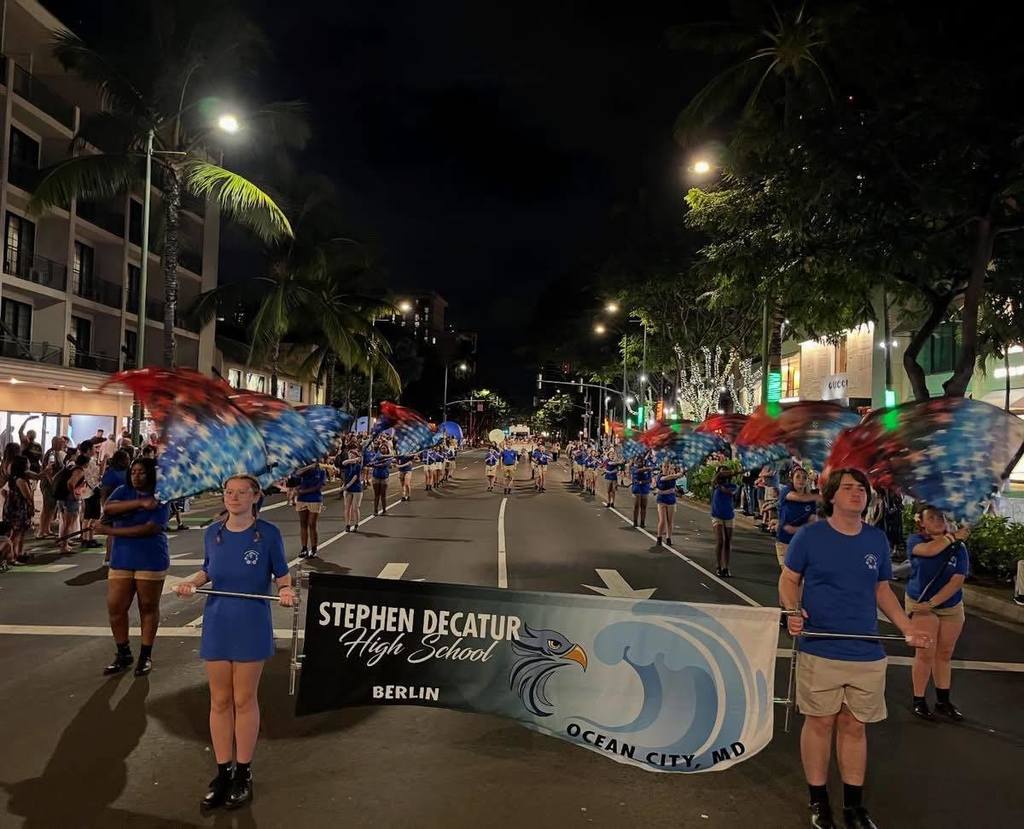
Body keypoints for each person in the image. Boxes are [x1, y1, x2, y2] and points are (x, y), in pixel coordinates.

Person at [780, 467, 930, 829]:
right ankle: (819, 801)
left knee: (855, 726)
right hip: (820, 648)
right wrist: (792, 611)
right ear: (831, 496)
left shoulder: (876, 540)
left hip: (866, 650)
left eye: (861, 488)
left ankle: (853, 807)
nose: (857, 492)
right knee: (820, 723)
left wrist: (907, 627)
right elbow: (789, 579)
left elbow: (882, 590)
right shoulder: (810, 536)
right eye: (848, 487)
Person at [174, 474, 294, 811]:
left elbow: (282, 574)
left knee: (243, 699)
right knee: (220, 700)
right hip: (218, 620)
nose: (234, 497)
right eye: (229, 492)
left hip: (252, 621)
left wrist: (286, 590)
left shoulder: (268, 533)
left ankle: (243, 773)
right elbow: (207, 570)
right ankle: (223, 772)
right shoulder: (213, 532)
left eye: (242, 493)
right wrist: (191, 583)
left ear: (255, 496)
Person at [96, 457, 170, 677]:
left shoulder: (161, 495)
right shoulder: (123, 490)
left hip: (150, 557)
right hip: (122, 557)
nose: (136, 476)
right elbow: (109, 507)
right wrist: (139, 504)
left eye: (142, 472)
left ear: (151, 474)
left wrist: (110, 532)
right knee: (116, 606)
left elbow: (149, 528)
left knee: (148, 606)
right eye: (133, 471)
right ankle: (123, 652)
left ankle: (145, 655)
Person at [905, 506, 971, 722]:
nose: (937, 520)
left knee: (944, 653)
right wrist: (953, 536)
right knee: (925, 653)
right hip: (920, 602)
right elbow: (930, 551)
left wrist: (934, 602)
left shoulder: (959, 548)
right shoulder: (915, 541)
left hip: (949, 604)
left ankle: (943, 701)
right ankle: (919, 700)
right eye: (931, 517)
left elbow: (957, 580)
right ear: (922, 523)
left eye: (940, 516)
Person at [776, 467, 822, 567]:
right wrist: (819, 497)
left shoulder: (810, 500)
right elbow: (800, 498)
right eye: (798, 477)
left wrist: (797, 529)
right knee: (787, 571)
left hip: (801, 541)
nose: (801, 480)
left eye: (804, 478)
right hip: (785, 540)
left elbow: (812, 520)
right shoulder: (786, 491)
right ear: (791, 479)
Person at [99, 450, 131, 565]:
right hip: (115, 506)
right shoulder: (112, 473)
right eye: (127, 458)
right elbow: (104, 491)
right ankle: (109, 557)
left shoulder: (128, 472)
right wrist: (104, 506)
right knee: (113, 533)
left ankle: (120, 557)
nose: (128, 460)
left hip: (128, 507)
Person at [55, 454, 90, 554]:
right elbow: (70, 483)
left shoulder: (71, 468)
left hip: (62, 497)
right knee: (68, 523)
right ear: (86, 463)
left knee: (66, 523)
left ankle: (64, 543)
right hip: (69, 499)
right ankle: (64, 546)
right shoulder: (79, 471)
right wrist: (74, 495)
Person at [3, 456, 35, 564]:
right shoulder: (21, 480)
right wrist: (31, 506)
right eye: (28, 463)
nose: (29, 464)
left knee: (18, 533)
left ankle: (17, 554)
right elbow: (28, 496)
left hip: (13, 507)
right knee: (17, 533)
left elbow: (4, 491)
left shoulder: (13, 478)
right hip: (18, 509)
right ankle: (12, 556)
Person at [295, 462, 327, 558]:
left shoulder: (321, 470)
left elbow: (319, 486)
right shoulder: (304, 468)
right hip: (302, 499)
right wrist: (309, 467)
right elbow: (297, 473)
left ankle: (314, 549)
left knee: (312, 524)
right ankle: (304, 548)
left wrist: (303, 491)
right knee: (303, 523)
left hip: (315, 498)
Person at [37, 436, 67, 540]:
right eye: (61, 443)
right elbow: (49, 470)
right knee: (47, 507)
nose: (63, 445)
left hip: (53, 484)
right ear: (55, 443)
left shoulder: (57, 453)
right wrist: (53, 483)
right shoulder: (52, 454)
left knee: (51, 508)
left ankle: (47, 529)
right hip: (49, 485)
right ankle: (41, 531)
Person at [711, 466, 737, 577]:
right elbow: (714, 480)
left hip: (729, 515)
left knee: (727, 542)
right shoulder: (715, 484)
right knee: (720, 541)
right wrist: (721, 474)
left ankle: (726, 567)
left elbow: (730, 491)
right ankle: (718, 566)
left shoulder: (732, 486)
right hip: (717, 515)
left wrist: (729, 474)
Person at [78, 440, 104, 550]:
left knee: (90, 515)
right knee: (90, 516)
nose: (95, 450)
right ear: (88, 450)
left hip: (88, 490)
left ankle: (89, 538)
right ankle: (86, 539)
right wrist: (104, 461)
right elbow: (98, 475)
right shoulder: (87, 461)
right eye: (93, 448)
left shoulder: (88, 460)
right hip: (91, 490)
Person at [655, 459, 683, 546]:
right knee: (662, 521)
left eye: (668, 467)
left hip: (671, 500)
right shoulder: (660, 476)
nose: (666, 468)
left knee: (670, 521)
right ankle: (659, 537)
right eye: (665, 467)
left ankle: (668, 538)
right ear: (662, 468)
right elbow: (666, 479)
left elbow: (674, 485)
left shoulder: (673, 477)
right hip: (661, 501)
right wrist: (676, 475)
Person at [340, 448, 364, 532]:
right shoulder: (347, 464)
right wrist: (354, 459)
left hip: (356, 488)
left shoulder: (358, 466)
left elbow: (355, 477)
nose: (350, 456)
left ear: (356, 456)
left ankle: (356, 524)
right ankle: (347, 525)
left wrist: (347, 486)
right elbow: (343, 462)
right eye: (349, 455)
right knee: (347, 508)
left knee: (355, 508)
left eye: (352, 455)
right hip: (347, 488)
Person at [630, 453, 653, 528]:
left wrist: (643, 482)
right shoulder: (634, 468)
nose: (640, 463)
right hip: (636, 488)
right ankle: (635, 522)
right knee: (636, 506)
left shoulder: (647, 469)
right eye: (638, 461)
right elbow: (637, 471)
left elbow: (650, 479)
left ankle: (642, 522)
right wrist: (648, 468)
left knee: (644, 506)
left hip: (645, 488)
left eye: (641, 461)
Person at [370, 444, 392, 515]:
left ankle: (384, 510)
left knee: (383, 495)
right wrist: (375, 464)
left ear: (387, 449)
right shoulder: (378, 455)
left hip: (384, 477)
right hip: (376, 477)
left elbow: (385, 464)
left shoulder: (389, 457)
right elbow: (375, 459)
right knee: (376, 495)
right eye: (382, 448)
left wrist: (375, 465)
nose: (383, 449)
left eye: (385, 448)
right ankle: (375, 510)